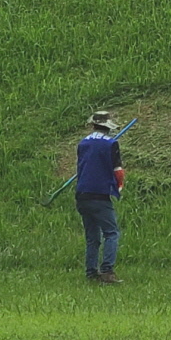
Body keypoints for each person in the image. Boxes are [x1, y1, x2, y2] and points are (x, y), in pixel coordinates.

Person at [75, 111, 126, 284]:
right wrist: (118, 188)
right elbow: (118, 172)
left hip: (82, 194)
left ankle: (91, 272)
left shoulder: (83, 143)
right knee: (111, 233)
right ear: (108, 126)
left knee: (92, 236)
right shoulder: (111, 144)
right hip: (100, 195)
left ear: (93, 125)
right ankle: (107, 271)